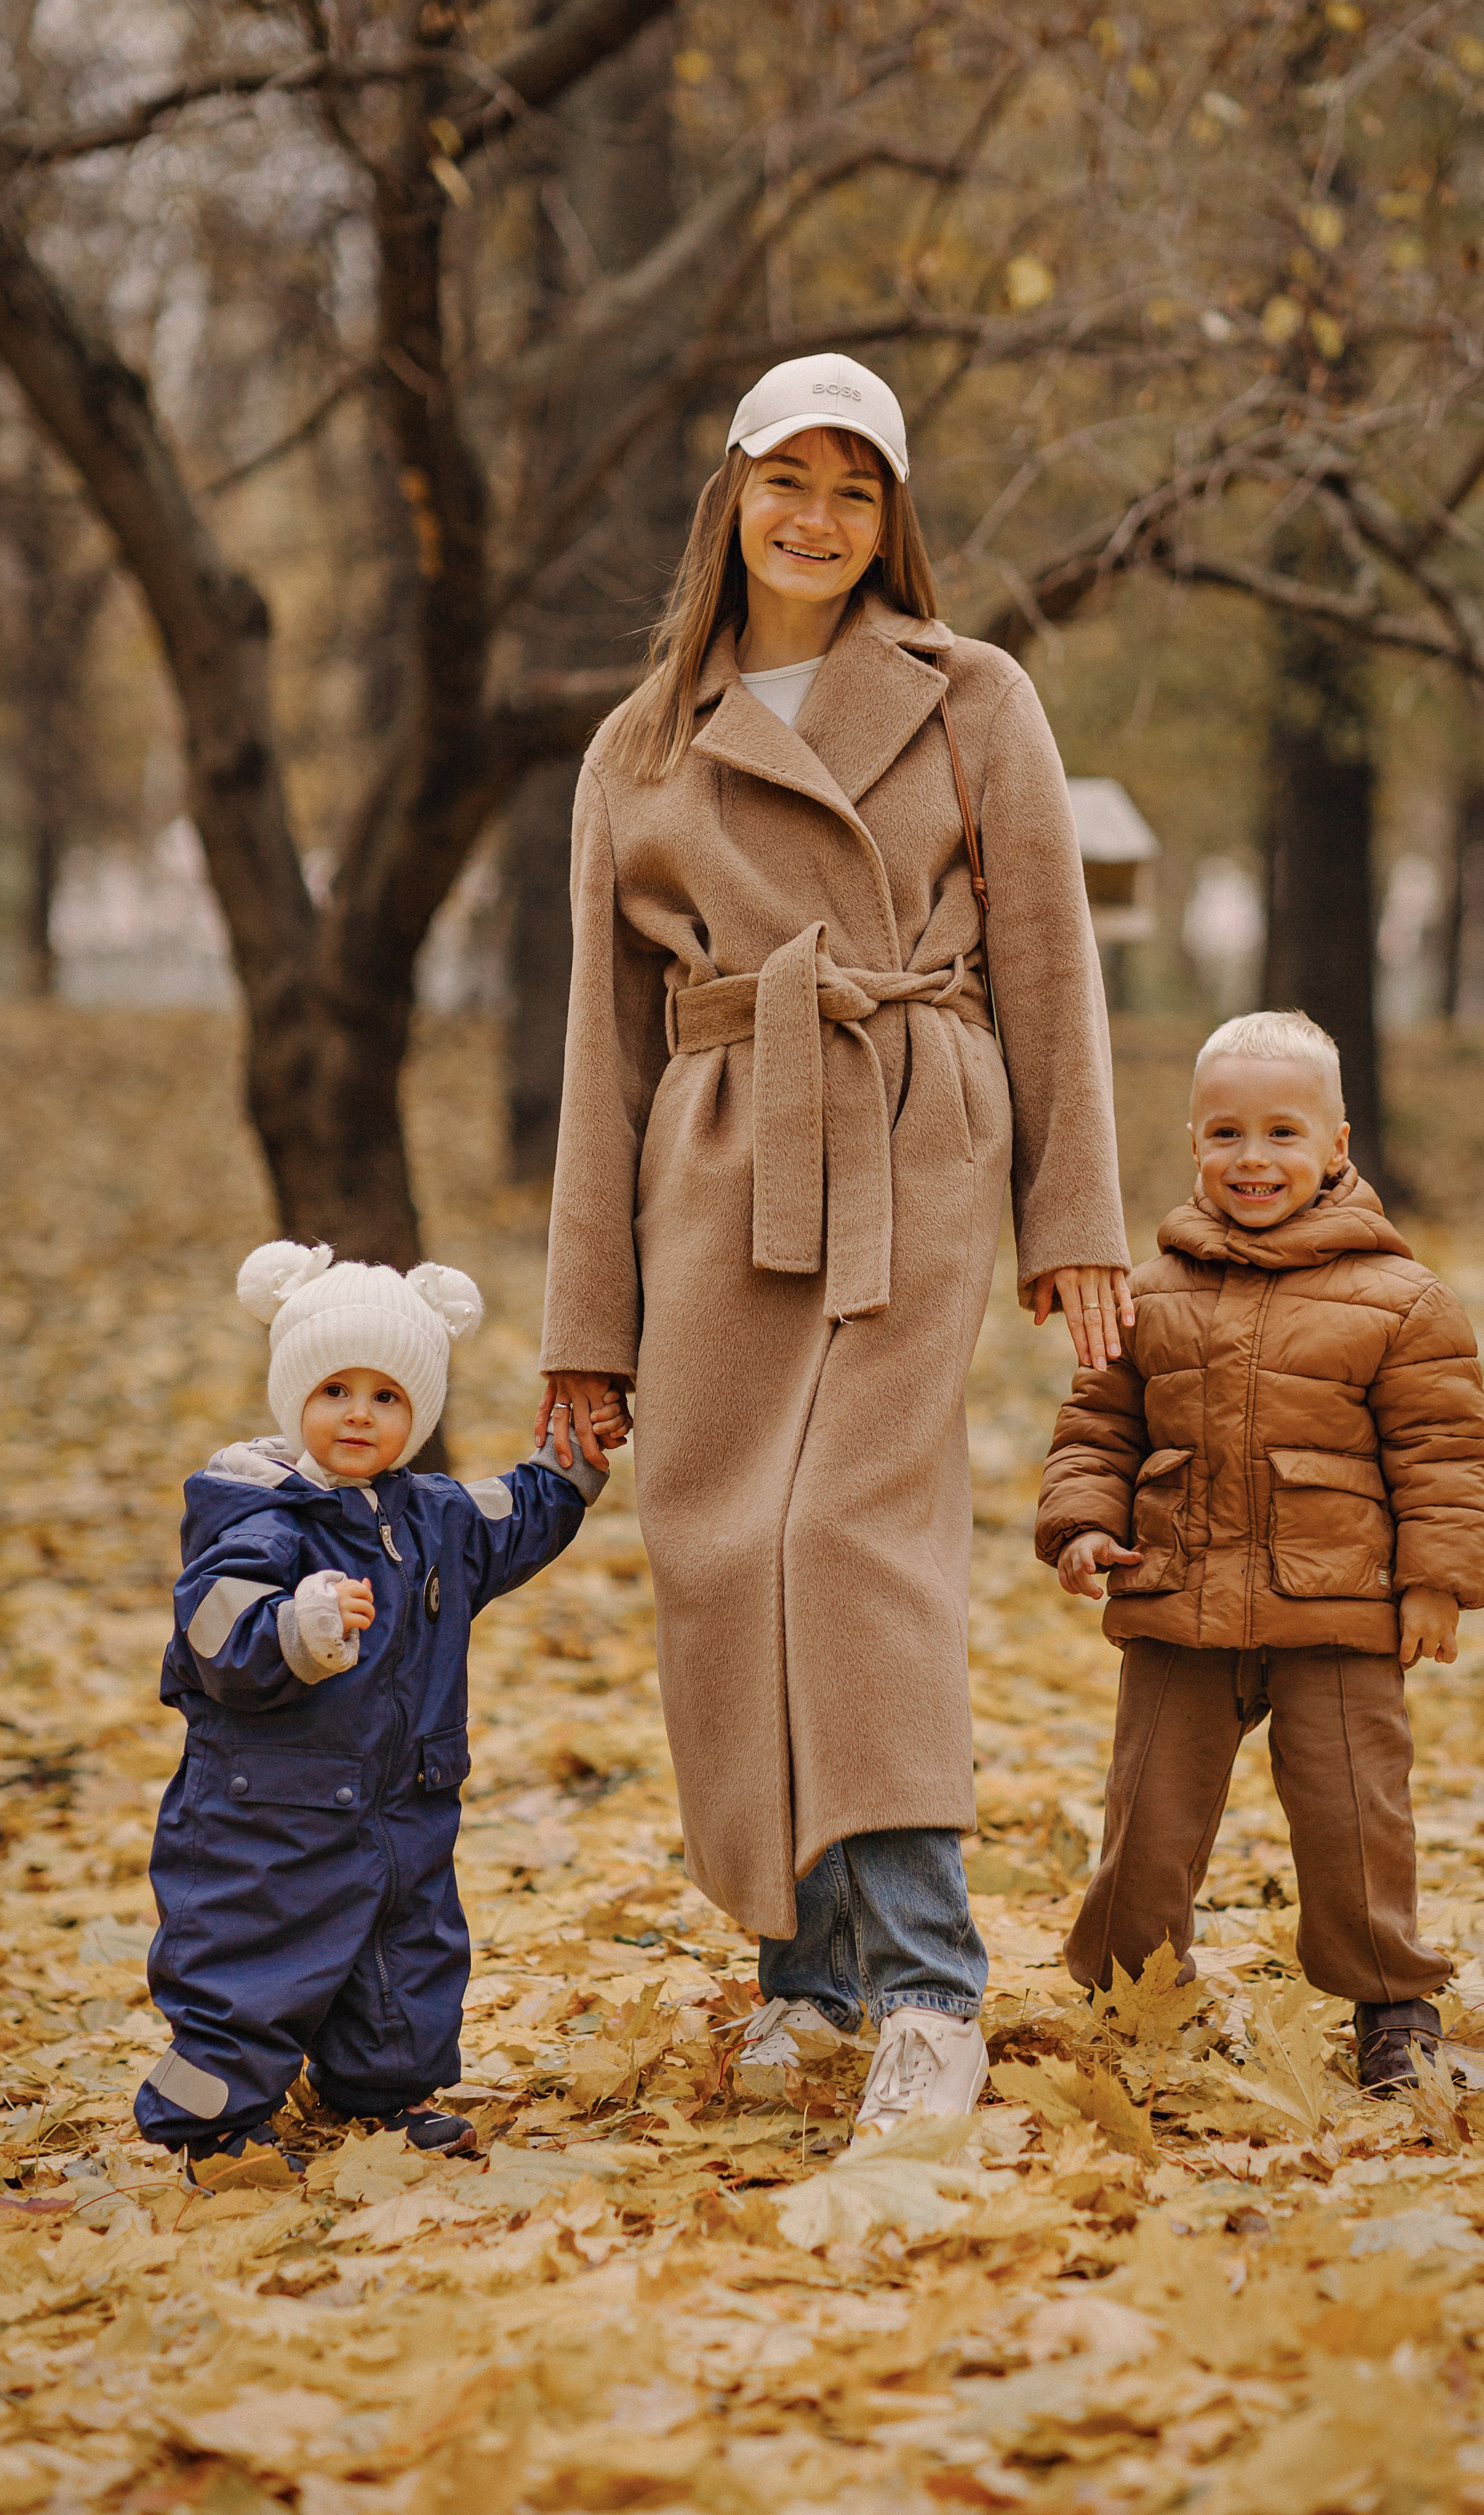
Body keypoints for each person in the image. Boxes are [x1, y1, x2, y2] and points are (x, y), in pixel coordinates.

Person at [537, 352, 1130, 2132]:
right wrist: (589, 1326)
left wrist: (1072, 1212)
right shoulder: (637, 744)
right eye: (783, 480)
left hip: (910, 1128)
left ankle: (931, 1994)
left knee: (845, 1534)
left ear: (893, 518)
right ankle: (801, 1976)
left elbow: (1049, 963)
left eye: (852, 488)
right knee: (725, 1552)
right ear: (728, 496)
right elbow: (601, 1050)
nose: (815, 517)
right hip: (714, 1162)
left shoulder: (970, 696)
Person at [1034, 1010, 1484, 2092]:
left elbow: (1444, 1454)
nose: (1254, 1159)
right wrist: (1082, 1524)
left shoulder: (1403, 1301)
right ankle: (1130, 1992)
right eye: (1227, 1134)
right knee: (1148, 1816)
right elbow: (1099, 1425)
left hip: (1338, 1610)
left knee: (1355, 1819)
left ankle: (1392, 2005)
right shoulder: (1145, 1294)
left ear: (1338, 1147)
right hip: (1177, 1601)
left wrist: (1436, 1584)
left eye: (1284, 1134)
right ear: (1193, 1142)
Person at [137, 1241, 618, 2175]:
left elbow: (522, 1512)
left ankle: (382, 2094)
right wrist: (297, 1623)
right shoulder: (257, 1518)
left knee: (408, 1957)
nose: (359, 1413)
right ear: (295, 1399)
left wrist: (576, 1452)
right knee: (249, 1960)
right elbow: (212, 1635)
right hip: (267, 1813)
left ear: (418, 1412)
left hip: (403, 1802)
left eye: (387, 1396)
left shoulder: (432, 1516)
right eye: (335, 1391)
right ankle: (216, 2125)